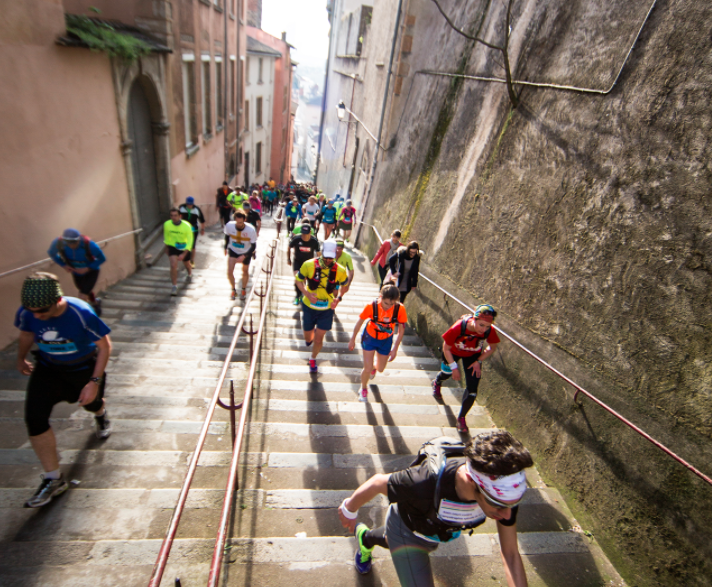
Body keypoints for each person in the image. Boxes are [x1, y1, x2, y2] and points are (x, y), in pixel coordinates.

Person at [338, 431, 532, 587]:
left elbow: (511, 554)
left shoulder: (504, 494)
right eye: (498, 504)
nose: (507, 514)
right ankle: (371, 538)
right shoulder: (424, 481)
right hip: (407, 531)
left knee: (399, 541)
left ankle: (366, 538)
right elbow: (378, 483)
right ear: (473, 481)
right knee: (401, 541)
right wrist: (349, 509)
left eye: (511, 505)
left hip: (435, 529)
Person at [15, 272, 113, 508]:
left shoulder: (82, 314)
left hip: (82, 369)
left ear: (58, 301)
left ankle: (100, 414)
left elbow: (105, 346)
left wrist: (94, 381)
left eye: (42, 312)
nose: (37, 316)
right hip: (48, 369)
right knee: (34, 418)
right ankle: (54, 479)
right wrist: (20, 358)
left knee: (91, 404)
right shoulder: (28, 312)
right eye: (32, 311)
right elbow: (27, 332)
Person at [432, 304, 501, 433]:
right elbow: (446, 348)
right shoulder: (459, 327)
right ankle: (437, 382)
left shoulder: (489, 330)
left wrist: (478, 361)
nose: (484, 329)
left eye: (487, 326)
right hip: (452, 353)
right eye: (481, 325)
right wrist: (454, 367)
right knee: (446, 374)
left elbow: (492, 347)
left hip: (473, 356)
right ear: (474, 320)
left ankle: (461, 418)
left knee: (473, 390)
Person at [348, 282, 407, 401]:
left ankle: (374, 368)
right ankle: (363, 388)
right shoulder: (371, 306)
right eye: (385, 303)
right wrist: (352, 339)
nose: (388, 306)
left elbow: (401, 331)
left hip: (386, 340)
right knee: (367, 368)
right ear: (380, 297)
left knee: (380, 369)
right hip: (370, 337)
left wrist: (395, 349)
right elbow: (359, 322)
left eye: (391, 304)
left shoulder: (400, 309)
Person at [295, 240, 348, 373]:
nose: (328, 260)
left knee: (319, 338)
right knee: (308, 337)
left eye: (331, 257)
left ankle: (313, 359)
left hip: (327, 309)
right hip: (309, 306)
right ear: (321, 253)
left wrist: (339, 298)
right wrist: (306, 294)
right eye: (326, 257)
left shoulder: (340, 270)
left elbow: (345, 285)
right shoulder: (309, 265)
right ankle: (309, 336)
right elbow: (298, 280)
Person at [48, 228, 106, 316]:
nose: (72, 246)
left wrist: (88, 268)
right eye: (68, 243)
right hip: (76, 272)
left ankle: (86, 317)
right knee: (84, 290)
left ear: (79, 239)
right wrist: (64, 265)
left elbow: (102, 258)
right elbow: (52, 253)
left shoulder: (90, 245)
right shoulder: (58, 243)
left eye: (74, 243)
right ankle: (96, 303)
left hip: (91, 271)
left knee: (82, 296)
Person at [224, 209, 257, 301]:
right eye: (237, 222)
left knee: (245, 271)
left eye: (241, 222)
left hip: (246, 251)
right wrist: (225, 247)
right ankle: (233, 290)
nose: (239, 224)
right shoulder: (229, 225)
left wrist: (245, 255)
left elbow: (254, 246)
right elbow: (227, 236)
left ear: (244, 220)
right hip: (233, 250)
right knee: (230, 271)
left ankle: (243, 289)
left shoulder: (251, 229)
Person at [163, 208, 194, 296]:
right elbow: (166, 236)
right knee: (173, 265)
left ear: (180, 216)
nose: (173, 217)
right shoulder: (167, 224)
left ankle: (190, 273)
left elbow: (190, 240)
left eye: (175, 215)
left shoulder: (187, 225)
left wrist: (184, 253)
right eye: (171, 216)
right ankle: (174, 286)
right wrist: (166, 247)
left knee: (187, 264)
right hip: (173, 246)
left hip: (184, 246)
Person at [287, 224, 320, 305]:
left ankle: (303, 294)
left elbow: (319, 254)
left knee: (304, 280)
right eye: (303, 233)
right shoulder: (296, 239)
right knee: (297, 278)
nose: (304, 235)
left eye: (306, 233)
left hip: (309, 264)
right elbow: (288, 247)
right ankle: (298, 296)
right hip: (298, 261)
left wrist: (320, 265)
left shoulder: (314, 241)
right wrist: (288, 259)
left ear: (310, 232)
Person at [179, 196, 206, 268]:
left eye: (190, 204)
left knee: (192, 246)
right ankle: (186, 259)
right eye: (188, 204)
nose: (189, 206)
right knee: (184, 244)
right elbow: (178, 217)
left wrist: (202, 229)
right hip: (183, 230)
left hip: (193, 230)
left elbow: (202, 220)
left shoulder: (197, 209)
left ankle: (192, 261)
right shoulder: (181, 207)